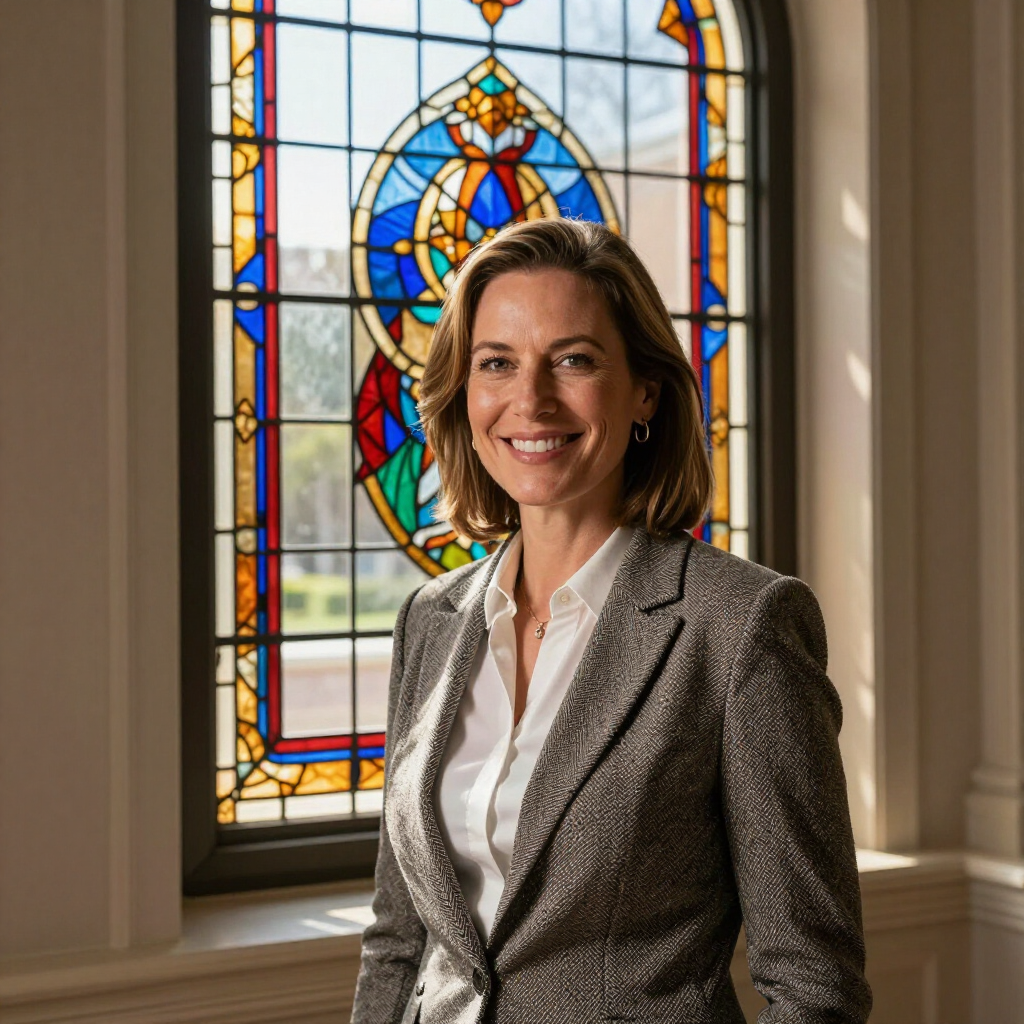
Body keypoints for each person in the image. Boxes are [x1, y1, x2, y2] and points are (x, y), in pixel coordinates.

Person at [350, 218, 872, 1024]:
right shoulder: (432, 619)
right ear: (464, 393)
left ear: (644, 393)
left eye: (574, 359)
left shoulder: (740, 629)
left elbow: (814, 984)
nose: (531, 399)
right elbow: (399, 938)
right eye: (497, 363)